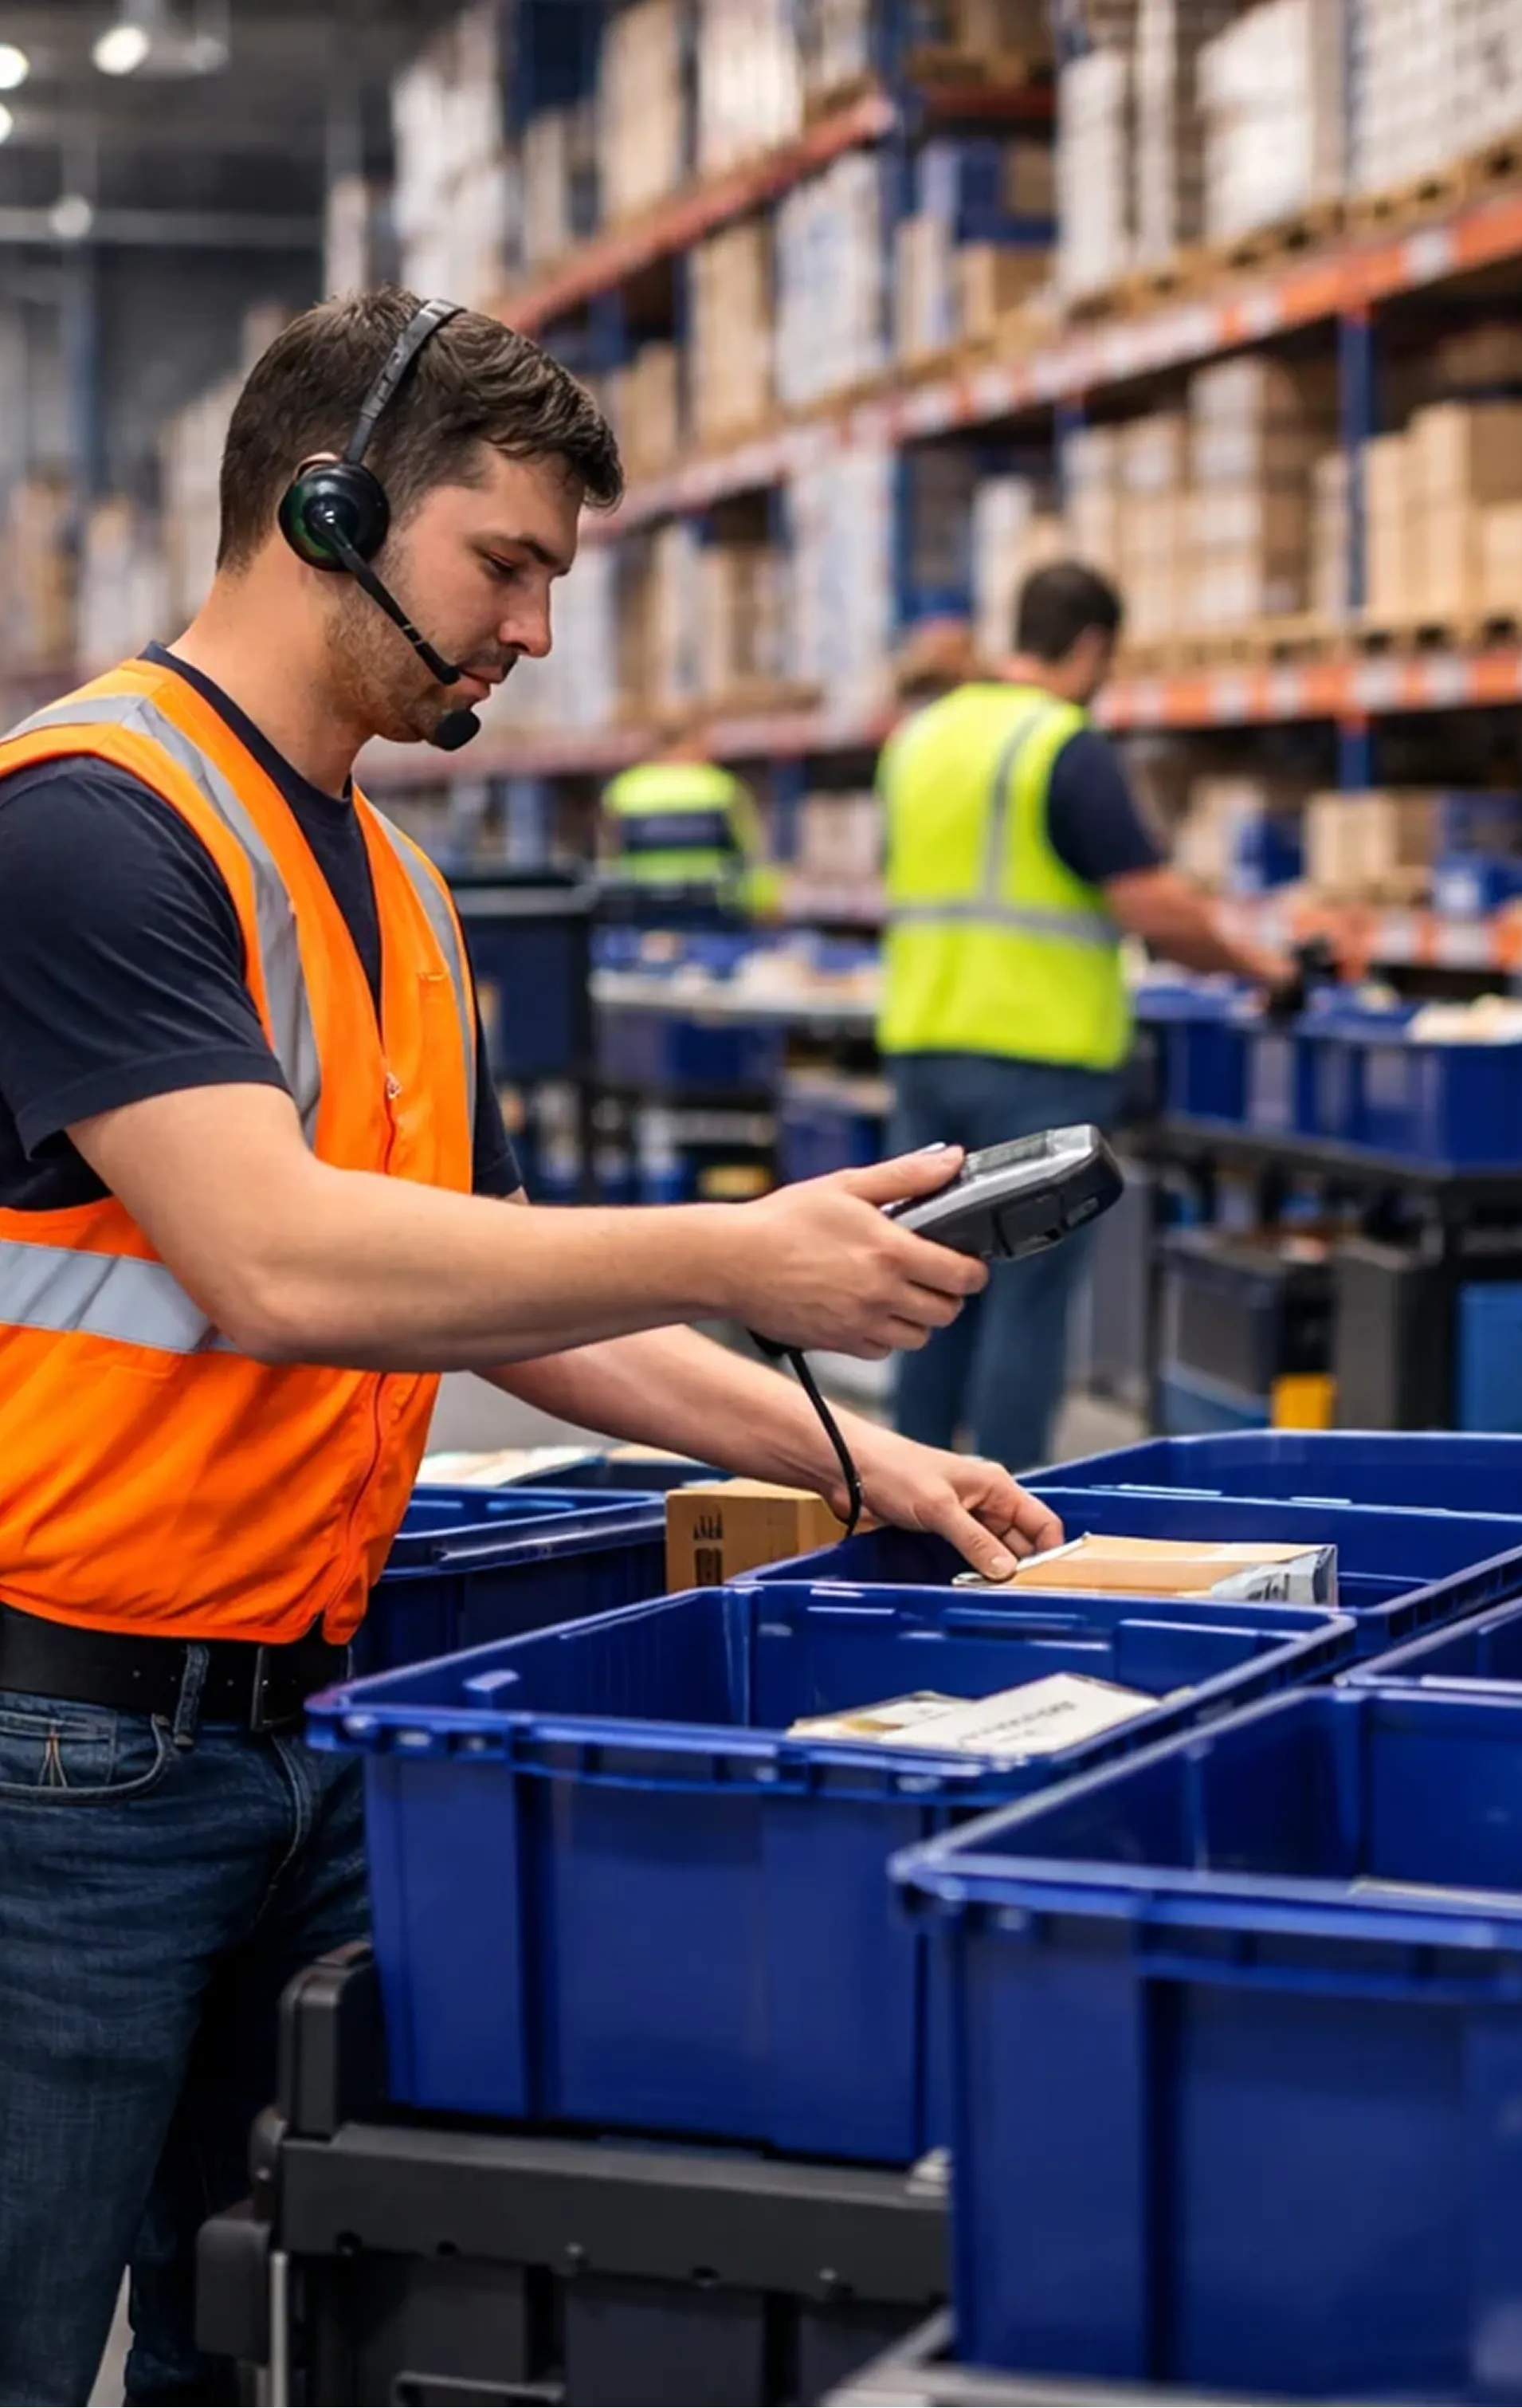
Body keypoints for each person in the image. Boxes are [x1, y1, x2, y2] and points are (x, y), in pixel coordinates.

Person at [0, 287, 1062, 2408]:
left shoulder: (399, 881)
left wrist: (862, 1458)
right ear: (322, 505)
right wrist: (746, 1247)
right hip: (66, 1763)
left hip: (309, 1728)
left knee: (250, 2333)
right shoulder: (84, 822)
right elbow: (277, 1261)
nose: (535, 632)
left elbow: (506, 1291)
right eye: (505, 564)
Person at [877, 559, 1293, 1471]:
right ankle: (1007, 1511)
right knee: (1028, 1298)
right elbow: (1149, 905)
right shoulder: (1060, 744)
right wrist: (1258, 966)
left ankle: (909, 1498)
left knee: (926, 1284)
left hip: (921, 1044)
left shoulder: (922, 737)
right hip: (1037, 1058)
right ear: (1095, 645)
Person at [600, 703, 776, 917]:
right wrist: (765, 910)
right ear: (692, 740)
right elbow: (753, 859)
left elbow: (609, 861)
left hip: (645, 913)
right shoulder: (721, 788)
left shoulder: (625, 791)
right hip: (713, 913)